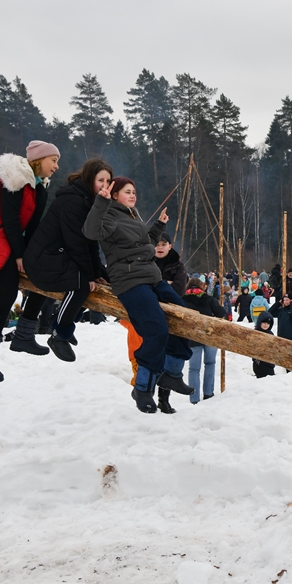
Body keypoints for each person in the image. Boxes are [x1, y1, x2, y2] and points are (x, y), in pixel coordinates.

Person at [83, 176, 193, 414]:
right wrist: (100, 203)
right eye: (127, 192)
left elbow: (144, 242)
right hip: (129, 281)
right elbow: (91, 232)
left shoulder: (133, 216)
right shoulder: (109, 216)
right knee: (156, 328)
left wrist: (159, 227)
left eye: (134, 191)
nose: (133, 195)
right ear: (114, 195)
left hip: (151, 276)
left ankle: (172, 373)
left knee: (184, 315)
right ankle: (142, 387)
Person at [0, 142, 61, 382]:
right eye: (53, 160)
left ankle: (24, 336)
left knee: (44, 275)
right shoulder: (15, 181)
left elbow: (31, 227)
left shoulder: (40, 188)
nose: (56, 166)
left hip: (10, 242)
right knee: (7, 293)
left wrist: (37, 254)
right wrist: (20, 255)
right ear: (39, 160)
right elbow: (9, 220)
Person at [23, 158, 112, 362]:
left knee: (102, 281)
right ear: (90, 179)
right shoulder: (74, 201)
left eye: (108, 181)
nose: (104, 186)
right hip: (42, 259)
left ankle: (66, 319)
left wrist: (98, 273)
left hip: (58, 254)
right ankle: (59, 334)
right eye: (101, 180)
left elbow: (90, 242)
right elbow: (76, 243)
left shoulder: (88, 201)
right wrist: (89, 275)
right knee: (82, 283)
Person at [180, 277, 227, 407]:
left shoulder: (183, 300)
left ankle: (194, 397)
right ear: (201, 287)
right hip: (209, 335)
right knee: (210, 364)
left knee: (194, 369)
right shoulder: (208, 299)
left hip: (192, 337)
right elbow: (221, 312)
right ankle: (208, 393)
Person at [252, 312, 277, 378]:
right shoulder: (256, 333)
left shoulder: (270, 334)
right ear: (260, 322)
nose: (265, 325)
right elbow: (252, 347)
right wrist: (256, 359)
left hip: (270, 364)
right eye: (264, 323)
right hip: (259, 364)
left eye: (268, 323)